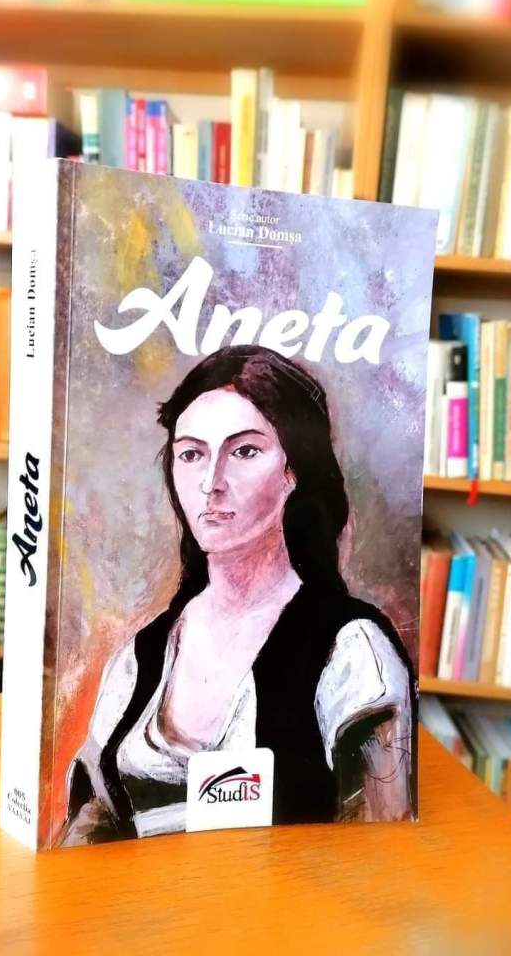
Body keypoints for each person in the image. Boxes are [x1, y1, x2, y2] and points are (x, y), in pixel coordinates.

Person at [60, 345, 415, 846]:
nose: (211, 483)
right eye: (191, 454)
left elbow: (379, 841)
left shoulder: (352, 652)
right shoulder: (140, 659)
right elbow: (88, 827)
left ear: (293, 471)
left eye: (244, 451)